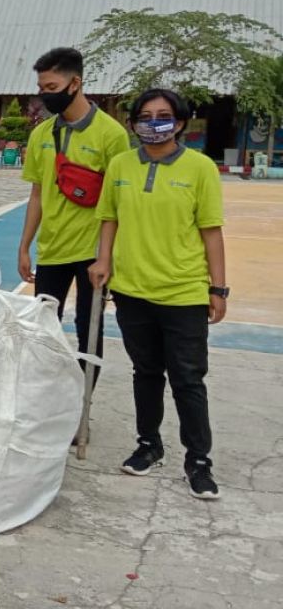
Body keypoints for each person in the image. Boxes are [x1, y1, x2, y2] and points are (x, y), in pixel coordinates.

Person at [89, 88, 227, 500]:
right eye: (144, 116)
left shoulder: (201, 169)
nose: (153, 123)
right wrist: (103, 261)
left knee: (187, 378)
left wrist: (218, 287)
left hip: (183, 291)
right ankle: (149, 444)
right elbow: (109, 218)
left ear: (180, 122)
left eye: (163, 116)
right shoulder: (120, 165)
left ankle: (198, 460)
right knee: (145, 373)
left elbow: (211, 232)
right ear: (132, 123)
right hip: (132, 290)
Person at [18, 47, 129, 385]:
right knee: (43, 329)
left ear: (75, 83)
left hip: (93, 254)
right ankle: (46, 398)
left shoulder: (112, 135)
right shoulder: (41, 135)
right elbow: (37, 194)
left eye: (51, 88)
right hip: (52, 250)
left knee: (89, 329)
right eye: (41, 88)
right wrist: (25, 247)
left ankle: (82, 408)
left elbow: (119, 202)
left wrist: (109, 257)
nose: (44, 95)